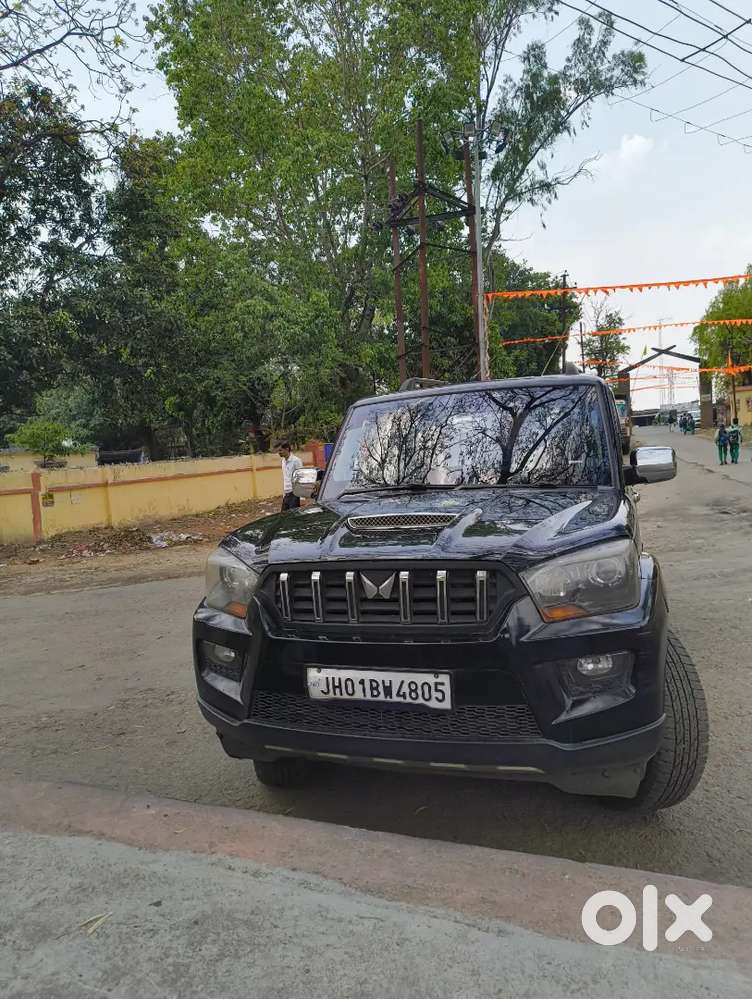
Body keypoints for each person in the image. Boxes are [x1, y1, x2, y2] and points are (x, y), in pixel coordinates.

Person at [278, 442, 303, 511]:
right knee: (284, 515)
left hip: (294, 494)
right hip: (286, 494)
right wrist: (284, 493)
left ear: (287, 449)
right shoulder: (283, 461)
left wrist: (301, 497)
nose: (279, 452)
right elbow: (286, 478)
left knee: (294, 515)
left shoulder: (296, 461)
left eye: (280, 450)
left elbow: (301, 478)